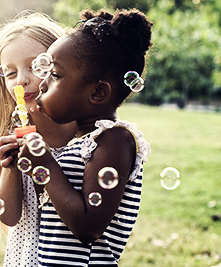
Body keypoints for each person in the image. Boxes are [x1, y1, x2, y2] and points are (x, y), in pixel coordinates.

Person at [17, 8, 152, 266]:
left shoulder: (114, 140)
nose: (42, 84)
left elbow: (88, 226)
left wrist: (45, 165)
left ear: (98, 93)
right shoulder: (80, 142)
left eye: (55, 75)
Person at [0, 11, 76, 266]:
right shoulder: (15, 137)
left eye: (35, 65)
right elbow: (9, 217)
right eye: (10, 73)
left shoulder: (85, 137)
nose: (22, 80)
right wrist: (10, 168)